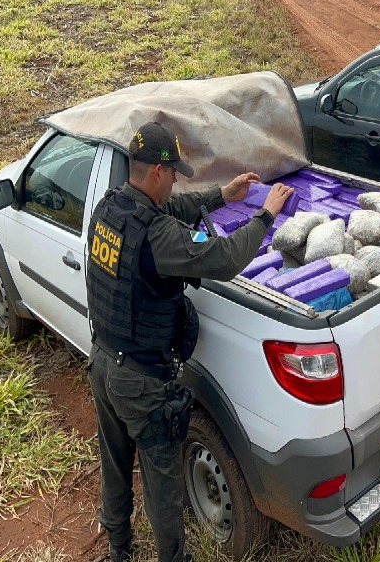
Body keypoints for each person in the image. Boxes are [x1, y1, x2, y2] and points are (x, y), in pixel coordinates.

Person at [85, 121, 292, 562]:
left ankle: (118, 546)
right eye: (174, 173)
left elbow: (170, 209)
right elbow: (226, 257)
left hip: (102, 362)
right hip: (141, 382)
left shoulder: (111, 208)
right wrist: (266, 214)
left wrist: (222, 195)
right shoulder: (159, 238)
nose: (177, 180)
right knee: (163, 485)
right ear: (157, 173)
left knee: (115, 463)